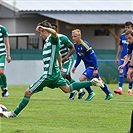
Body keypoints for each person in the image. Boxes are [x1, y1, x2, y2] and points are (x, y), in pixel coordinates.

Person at [1, 20, 104, 118]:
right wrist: (59, 64)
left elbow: (54, 33)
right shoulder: (48, 42)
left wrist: (44, 27)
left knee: (27, 92)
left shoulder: (52, 39)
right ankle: (92, 82)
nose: (40, 35)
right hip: (55, 74)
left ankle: (14, 113)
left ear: (44, 30)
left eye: (41, 32)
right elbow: (58, 53)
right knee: (67, 89)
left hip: (49, 75)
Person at [71, 29, 113, 101]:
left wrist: (95, 68)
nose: (73, 38)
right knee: (99, 81)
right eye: (72, 36)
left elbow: (94, 57)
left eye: (75, 36)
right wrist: (75, 66)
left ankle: (91, 93)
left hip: (92, 66)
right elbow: (79, 57)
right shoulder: (75, 45)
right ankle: (109, 94)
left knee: (81, 79)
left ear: (79, 36)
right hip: (88, 66)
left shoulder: (85, 45)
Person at [52, 24, 85, 100]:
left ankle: (72, 92)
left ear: (56, 31)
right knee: (68, 78)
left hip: (68, 59)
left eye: (53, 30)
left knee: (61, 75)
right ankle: (80, 90)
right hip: (61, 61)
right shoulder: (49, 40)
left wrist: (65, 57)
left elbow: (73, 49)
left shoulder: (62, 38)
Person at [114, 21, 133, 95]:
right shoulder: (130, 44)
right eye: (127, 39)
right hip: (125, 59)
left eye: (129, 39)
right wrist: (123, 65)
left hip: (131, 60)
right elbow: (128, 55)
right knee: (126, 74)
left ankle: (130, 89)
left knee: (129, 74)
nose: (128, 41)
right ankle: (120, 89)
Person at [0, 25, 11, 97]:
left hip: (1, 53)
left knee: (1, 71)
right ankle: (3, 89)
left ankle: (5, 88)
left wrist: (8, 55)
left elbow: (7, 43)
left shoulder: (2, 29)